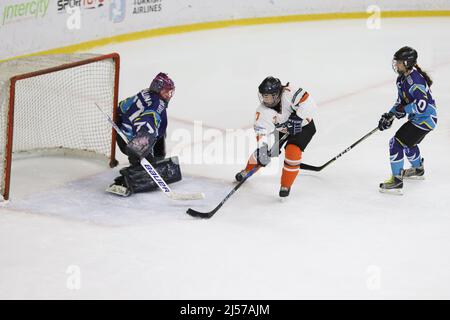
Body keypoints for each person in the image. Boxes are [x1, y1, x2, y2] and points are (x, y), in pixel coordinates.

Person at [235, 76, 317, 198]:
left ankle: (286, 184)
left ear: (276, 94)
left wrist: (298, 118)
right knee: (263, 153)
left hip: (304, 127)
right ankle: (247, 170)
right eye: (263, 95)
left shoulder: (289, 93)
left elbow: (309, 103)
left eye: (267, 96)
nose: (264, 98)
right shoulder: (262, 111)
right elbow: (262, 134)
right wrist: (265, 150)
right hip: (281, 130)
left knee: (292, 151)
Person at [107, 72, 182, 196]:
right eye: (166, 92)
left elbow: (121, 107)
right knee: (146, 161)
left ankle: (154, 161)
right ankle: (125, 181)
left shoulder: (144, 93)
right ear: (158, 89)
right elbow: (147, 122)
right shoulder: (158, 104)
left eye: (170, 92)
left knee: (160, 133)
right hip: (134, 144)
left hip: (122, 137)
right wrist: (138, 150)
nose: (169, 96)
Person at [378, 46, 437, 194]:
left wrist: (403, 111)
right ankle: (417, 169)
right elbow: (401, 102)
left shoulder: (415, 81)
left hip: (424, 120)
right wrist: (390, 114)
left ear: (406, 63)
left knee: (395, 143)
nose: (396, 65)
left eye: (398, 62)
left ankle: (397, 181)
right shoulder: (401, 79)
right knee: (409, 143)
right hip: (422, 119)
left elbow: (421, 106)